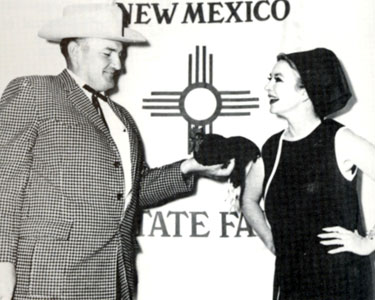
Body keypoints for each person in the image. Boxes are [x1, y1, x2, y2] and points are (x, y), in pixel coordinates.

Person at [0, 3, 235, 300]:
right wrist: (2, 264)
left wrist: (190, 167)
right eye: (108, 53)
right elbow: (4, 185)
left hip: (114, 277)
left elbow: (132, 192)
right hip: (50, 278)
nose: (118, 64)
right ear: (75, 50)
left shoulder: (121, 117)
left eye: (120, 54)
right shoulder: (33, 91)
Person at [242, 47, 375, 300]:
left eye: (277, 79)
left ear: (305, 91)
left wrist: (368, 243)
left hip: (342, 284)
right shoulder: (272, 148)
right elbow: (249, 200)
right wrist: (271, 240)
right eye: (270, 79)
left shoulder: (340, 139)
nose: (268, 87)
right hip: (292, 283)